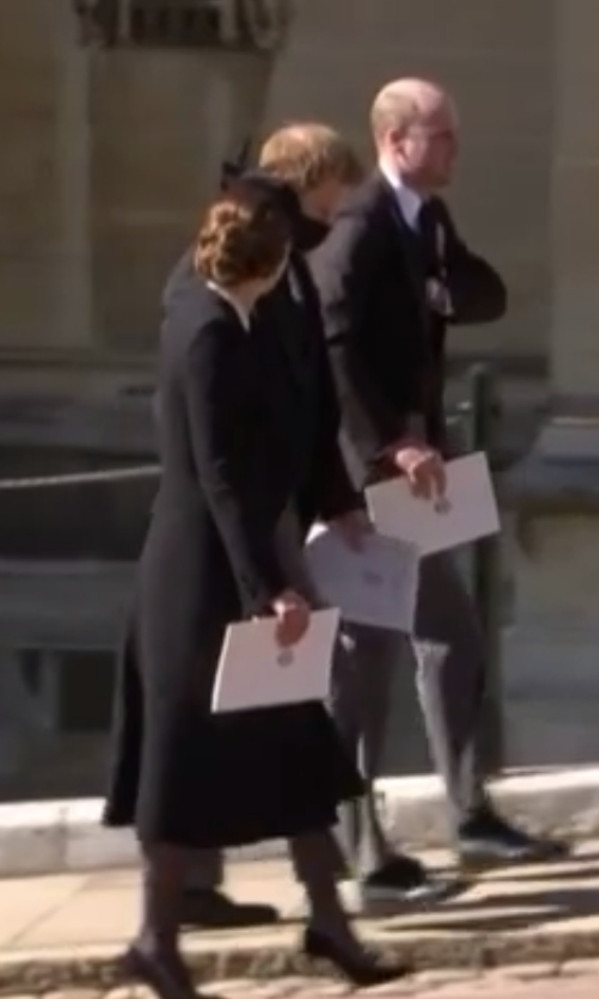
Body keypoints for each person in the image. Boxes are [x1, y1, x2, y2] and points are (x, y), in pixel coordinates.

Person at [103, 180, 408, 998]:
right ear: (266, 264)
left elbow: (292, 430)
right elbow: (220, 477)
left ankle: (330, 923)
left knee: (301, 746)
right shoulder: (202, 331)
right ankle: (155, 940)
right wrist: (269, 586)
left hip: (238, 566)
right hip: (195, 576)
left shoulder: (251, 316)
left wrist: (331, 507)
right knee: (181, 763)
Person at [309, 77, 569, 909]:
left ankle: (469, 812)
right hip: (373, 474)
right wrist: (392, 440)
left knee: (451, 635)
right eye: (442, 136)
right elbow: (334, 347)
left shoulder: (429, 220)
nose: (455, 149)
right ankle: (360, 847)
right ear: (396, 142)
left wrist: (444, 287)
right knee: (367, 660)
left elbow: (483, 292)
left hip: (423, 472)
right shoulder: (358, 230)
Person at [166, 126, 383, 928]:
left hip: (276, 515)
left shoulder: (290, 261)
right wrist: (267, 575)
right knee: (223, 707)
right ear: (303, 184)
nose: (340, 208)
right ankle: (192, 894)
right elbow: (220, 442)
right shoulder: (230, 273)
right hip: (232, 535)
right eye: (333, 191)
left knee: (289, 708)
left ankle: (323, 901)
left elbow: (311, 400)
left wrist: (335, 498)